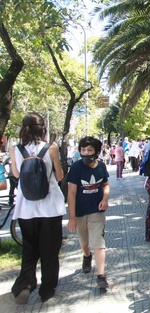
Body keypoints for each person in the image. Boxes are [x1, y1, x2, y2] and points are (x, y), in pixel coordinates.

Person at [9, 112, 66, 304]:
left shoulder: (15, 149)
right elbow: (59, 176)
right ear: (43, 128)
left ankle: (25, 283)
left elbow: (16, 174)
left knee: (29, 247)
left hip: (26, 208)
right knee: (50, 250)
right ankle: (47, 289)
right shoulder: (51, 148)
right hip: (50, 207)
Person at [67, 136, 111, 289]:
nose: (86, 153)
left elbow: (106, 185)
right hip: (79, 212)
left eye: (90, 150)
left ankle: (101, 275)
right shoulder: (76, 167)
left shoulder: (101, 167)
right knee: (84, 241)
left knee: (98, 242)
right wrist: (71, 217)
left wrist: (105, 198)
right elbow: (71, 193)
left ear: (97, 152)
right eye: (83, 150)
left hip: (96, 210)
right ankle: (87, 255)